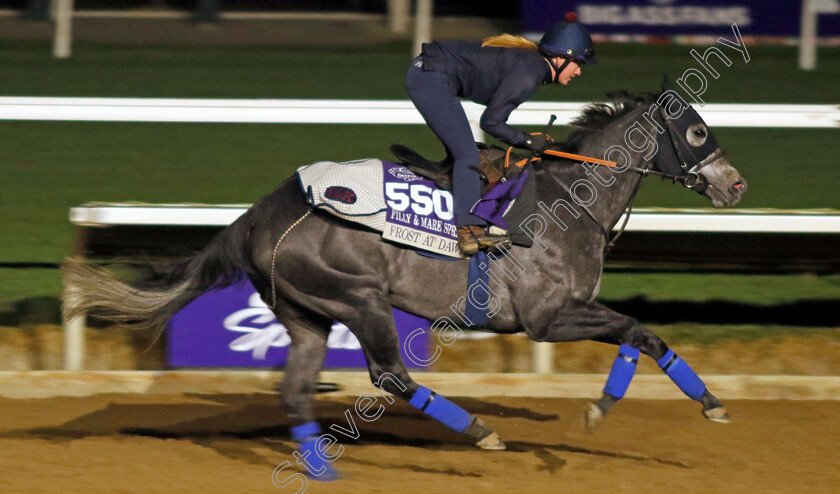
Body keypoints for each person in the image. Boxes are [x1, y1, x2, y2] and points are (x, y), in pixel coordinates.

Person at [405, 12, 595, 256]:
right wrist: (528, 141)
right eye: (578, 63)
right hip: (430, 78)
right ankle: (468, 230)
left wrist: (527, 139)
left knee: (467, 150)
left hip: (433, 75)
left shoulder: (532, 67)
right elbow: (491, 122)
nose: (578, 72)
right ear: (559, 60)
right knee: (467, 156)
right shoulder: (529, 75)